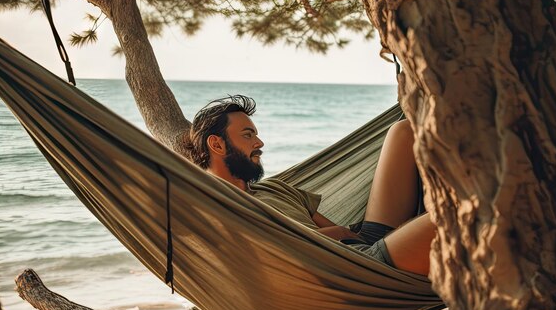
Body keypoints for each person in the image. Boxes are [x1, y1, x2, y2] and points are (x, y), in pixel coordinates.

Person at [182, 95, 435, 276]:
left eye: (256, 134)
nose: (259, 142)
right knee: (449, 216)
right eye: (248, 135)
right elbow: (278, 260)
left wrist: (347, 235)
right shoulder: (216, 208)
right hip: (355, 270)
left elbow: (339, 231)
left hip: (364, 244)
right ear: (217, 145)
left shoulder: (274, 188)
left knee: (404, 131)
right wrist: (339, 236)